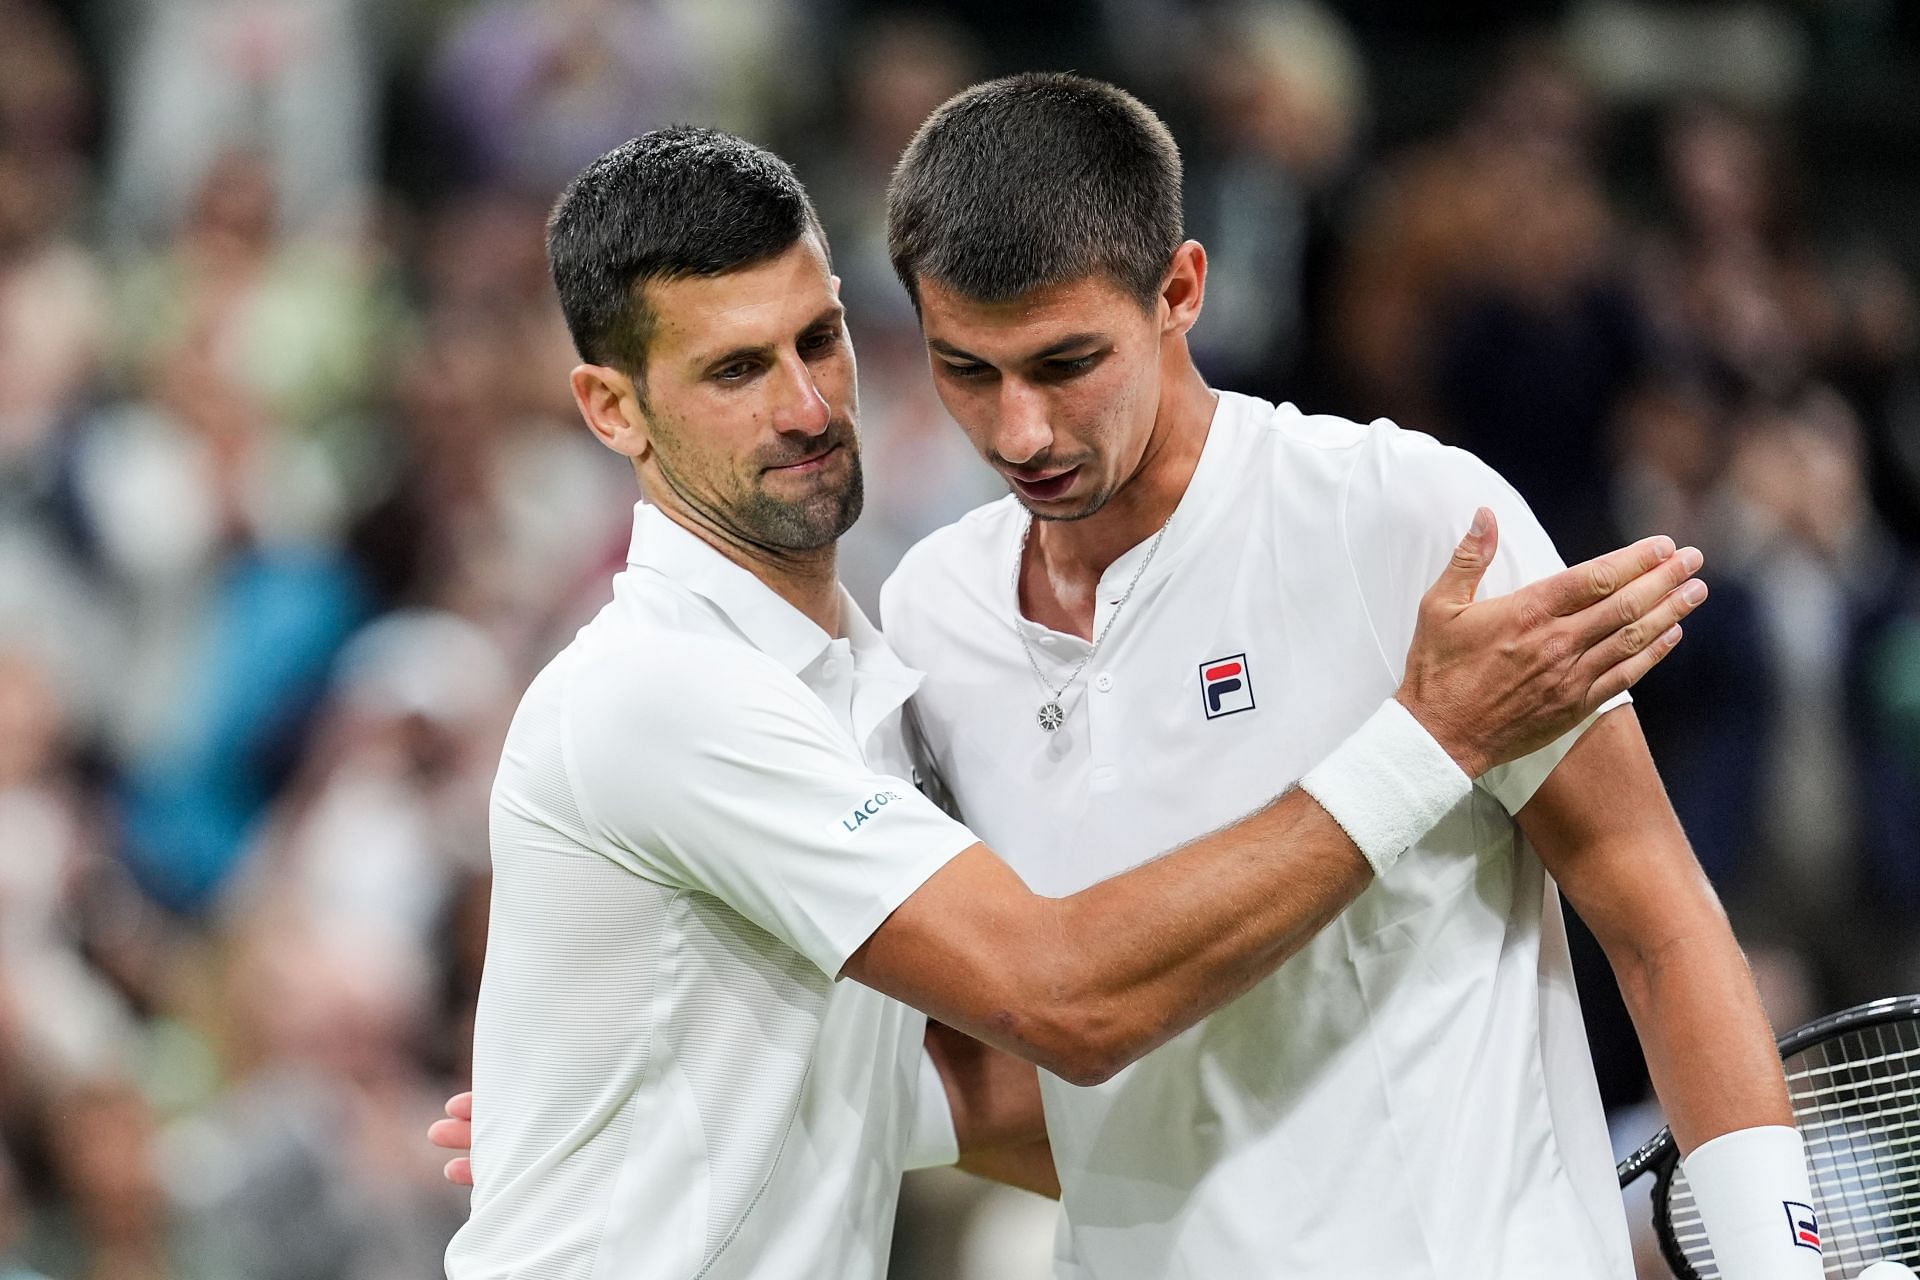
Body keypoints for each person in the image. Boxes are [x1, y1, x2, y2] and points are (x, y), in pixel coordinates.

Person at [436, 125, 1704, 1280]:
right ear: (613, 410)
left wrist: (681, 1101)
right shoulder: (665, 692)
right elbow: (1068, 1000)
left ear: (1183, 294)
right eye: (732, 371)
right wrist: (1436, 737)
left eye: (817, 341)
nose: (808, 407)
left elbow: (1022, 1108)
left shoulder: (862, 678)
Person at [870, 74, 1807, 1278]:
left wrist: (1783, 1265)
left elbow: (1662, 925)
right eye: (967, 370)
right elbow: (1025, 1051)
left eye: (1066, 363)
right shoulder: (928, 611)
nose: (1020, 433)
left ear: (1181, 291)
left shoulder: (1409, 522)